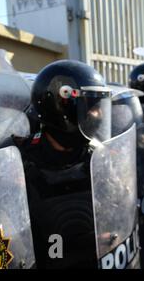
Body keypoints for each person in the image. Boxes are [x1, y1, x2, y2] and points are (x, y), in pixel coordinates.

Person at [12, 60, 113, 269]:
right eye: (92, 106)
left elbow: (117, 211)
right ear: (61, 106)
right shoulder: (18, 162)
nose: (99, 115)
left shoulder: (97, 156)